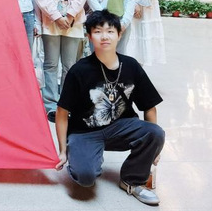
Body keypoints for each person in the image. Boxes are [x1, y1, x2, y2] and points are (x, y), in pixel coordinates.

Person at [55, 10, 164, 207]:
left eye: (110, 31)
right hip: (84, 132)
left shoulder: (131, 66)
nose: (104, 36)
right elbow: (62, 113)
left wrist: (154, 147)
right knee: (85, 177)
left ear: (119, 35)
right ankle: (81, 156)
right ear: (89, 37)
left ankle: (132, 180)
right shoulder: (79, 70)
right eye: (98, 31)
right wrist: (63, 151)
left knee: (155, 132)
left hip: (121, 126)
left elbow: (149, 107)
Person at [32, 0, 86, 121]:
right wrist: (56, 16)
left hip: (73, 22)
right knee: (50, 64)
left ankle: (67, 103)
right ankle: (51, 105)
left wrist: (70, 15)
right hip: (50, 22)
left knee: (70, 65)